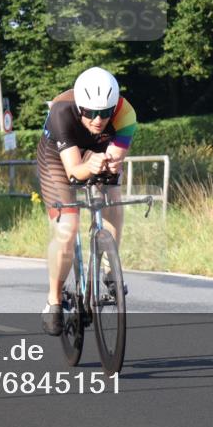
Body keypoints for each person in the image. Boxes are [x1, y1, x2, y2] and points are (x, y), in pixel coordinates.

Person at [36, 67, 137, 335]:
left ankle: (108, 268)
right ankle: (54, 300)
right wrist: (89, 166)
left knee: (113, 196)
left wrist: (111, 164)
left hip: (96, 150)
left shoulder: (126, 114)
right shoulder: (62, 113)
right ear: (80, 106)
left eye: (105, 113)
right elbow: (74, 171)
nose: (98, 120)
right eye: (91, 113)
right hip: (58, 158)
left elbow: (115, 156)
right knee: (68, 227)